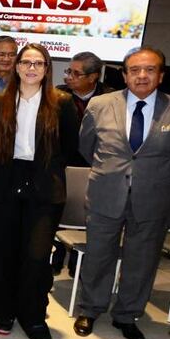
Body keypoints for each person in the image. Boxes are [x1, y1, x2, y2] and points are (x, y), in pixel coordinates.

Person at [0, 44, 79, 339]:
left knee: (36, 257)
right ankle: (5, 311)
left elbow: (70, 149)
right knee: (2, 253)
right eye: (26, 62)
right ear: (17, 66)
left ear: (47, 68)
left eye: (39, 63)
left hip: (44, 186)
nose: (31, 68)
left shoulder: (62, 103)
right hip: (3, 184)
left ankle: (33, 315)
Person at [74, 47, 170, 339]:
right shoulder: (101, 105)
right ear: (124, 74)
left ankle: (127, 315)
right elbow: (87, 147)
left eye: (150, 69)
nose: (142, 75)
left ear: (161, 75)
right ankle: (90, 310)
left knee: (141, 260)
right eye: (135, 70)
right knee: (98, 254)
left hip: (153, 198)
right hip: (107, 192)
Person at [50, 50, 112, 275]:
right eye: (69, 71)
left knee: (87, 215)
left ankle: (79, 260)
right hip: (61, 164)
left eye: (76, 74)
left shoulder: (111, 98)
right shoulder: (57, 94)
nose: (69, 77)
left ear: (93, 77)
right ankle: (54, 257)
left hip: (94, 165)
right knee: (55, 212)